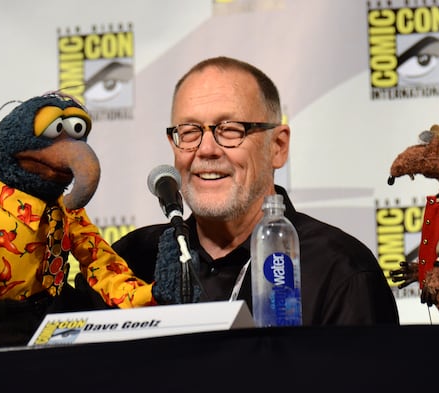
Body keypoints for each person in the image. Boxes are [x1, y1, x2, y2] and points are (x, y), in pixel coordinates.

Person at [110, 56, 399, 325]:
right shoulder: (130, 261)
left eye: (230, 129)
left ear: (278, 147)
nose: (206, 149)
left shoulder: (341, 271)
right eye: (189, 131)